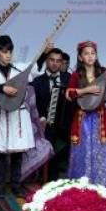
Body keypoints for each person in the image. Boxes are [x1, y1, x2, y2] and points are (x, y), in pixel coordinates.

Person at [65, 40, 106, 187]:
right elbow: (68, 94)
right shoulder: (76, 75)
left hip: (99, 118)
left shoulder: (102, 72)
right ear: (80, 57)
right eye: (86, 54)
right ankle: (81, 185)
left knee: (99, 151)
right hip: (83, 118)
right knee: (83, 151)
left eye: (93, 53)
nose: (90, 56)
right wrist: (85, 90)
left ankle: (99, 185)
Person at [0, 35, 39, 196]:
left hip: (18, 118)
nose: (8, 55)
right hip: (1, 116)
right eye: (4, 51)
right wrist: (3, 88)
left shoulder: (20, 69)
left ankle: (16, 185)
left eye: (10, 51)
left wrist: (44, 54)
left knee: (17, 154)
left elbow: (36, 70)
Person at [31, 47, 73, 181]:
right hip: (46, 125)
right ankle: (49, 180)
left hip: (67, 125)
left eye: (58, 61)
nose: (55, 63)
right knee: (50, 152)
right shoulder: (37, 82)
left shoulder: (69, 78)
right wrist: (41, 117)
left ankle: (66, 181)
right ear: (47, 61)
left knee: (66, 152)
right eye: (52, 60)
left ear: (62, 63)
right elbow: (34, 104)